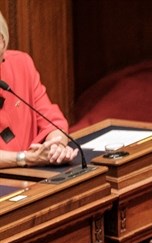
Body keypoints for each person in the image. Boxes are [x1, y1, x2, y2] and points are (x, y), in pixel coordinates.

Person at [0, 10, 78, 168]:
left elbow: (53, 121)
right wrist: (25, 158)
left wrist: (56, 147)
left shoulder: (21, 64)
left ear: (1, 41)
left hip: (33, 174)